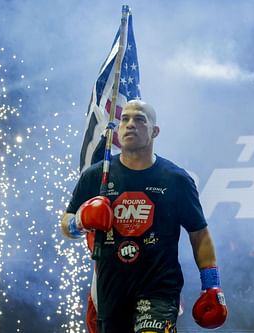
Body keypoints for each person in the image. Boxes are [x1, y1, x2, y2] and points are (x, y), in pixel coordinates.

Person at [60, 100, 228, 333]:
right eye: (125, 119)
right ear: (117, 130)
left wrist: (212, 286)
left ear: (154, 131)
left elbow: (199, 234)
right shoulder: (96, 176)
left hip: (159, 290)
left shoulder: (176, 179)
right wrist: (79, 221)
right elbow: (66, 225)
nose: (130, 125)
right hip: (111, 291)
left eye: (139, 119)